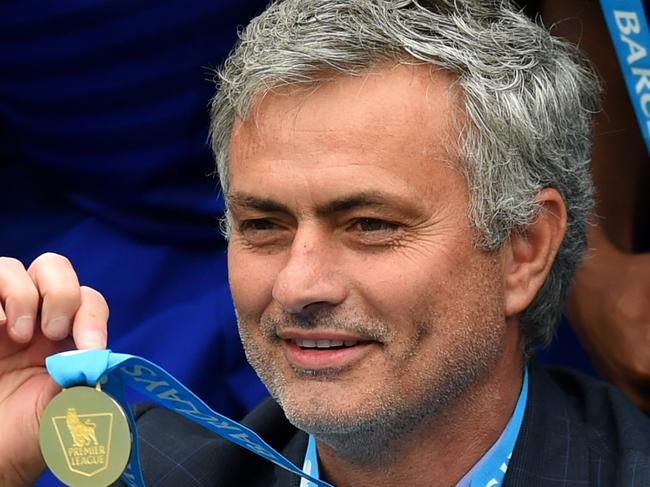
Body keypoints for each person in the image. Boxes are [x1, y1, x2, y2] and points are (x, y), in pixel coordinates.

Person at [1, 1, 650, 486]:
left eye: (369, 224)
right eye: (263, 225)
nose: (298, 285)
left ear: (524, 249)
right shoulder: (155, 466)